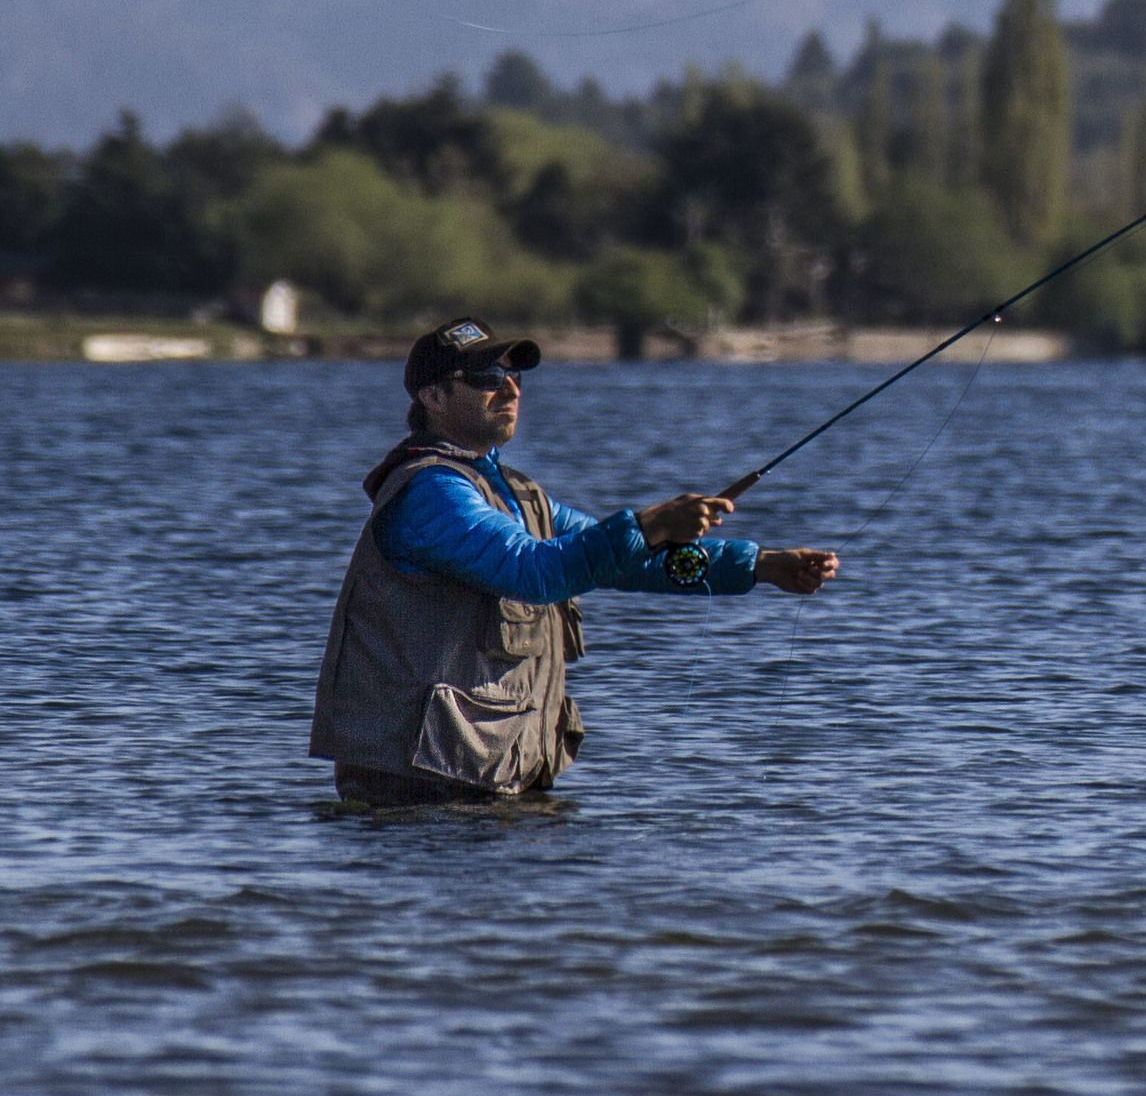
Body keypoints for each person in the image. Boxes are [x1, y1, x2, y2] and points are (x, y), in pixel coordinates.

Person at [310, 316, 839, 806]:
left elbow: (630, 560)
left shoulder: (518, 495)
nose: (511, 387)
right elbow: (533, 572)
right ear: (433, 396)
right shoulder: (431, 493)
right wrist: (651, 525)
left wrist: (757, 566)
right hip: (418, 789)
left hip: (478, 778)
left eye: (513, 374)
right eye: (487, 375)